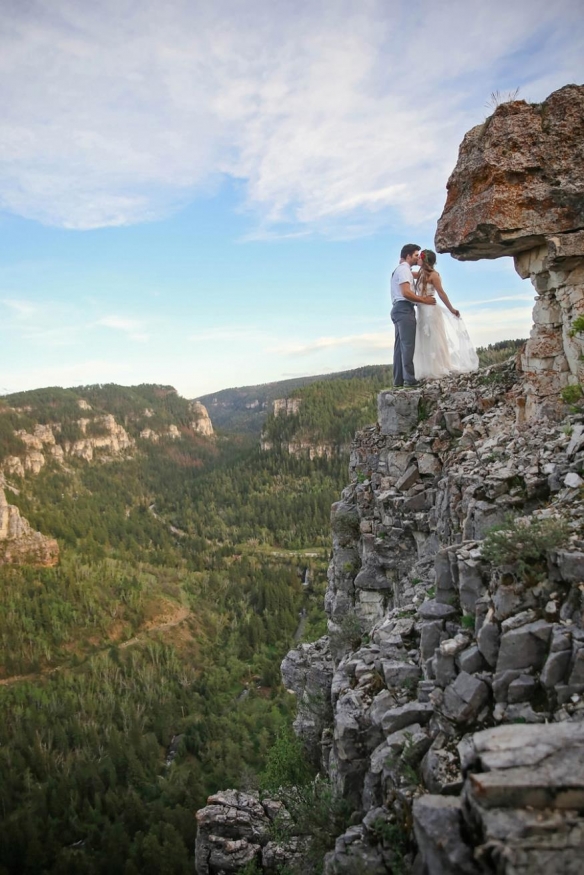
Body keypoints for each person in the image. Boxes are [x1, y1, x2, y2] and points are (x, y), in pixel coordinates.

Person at [412, 249, 479, 379]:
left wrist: (451, 309)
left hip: (431, 311)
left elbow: (441, 293)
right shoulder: (420, 273)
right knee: (423, 338)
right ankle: (427, 368)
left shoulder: (434, 275)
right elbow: (409, 275)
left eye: (419, 257)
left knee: (435, 338)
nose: (417, 259)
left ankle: (438, 367)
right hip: (421, 311)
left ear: (425, 260)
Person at [391, 243, 436, 387]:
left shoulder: (402, 269)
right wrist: (425, 300)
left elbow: (420, 275)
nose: (418, 258)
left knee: (399, 348)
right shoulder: (404, 270)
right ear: (408, 256)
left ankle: (398, 381)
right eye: (416, 255)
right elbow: (406, 292)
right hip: (404, 309)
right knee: (407, 346)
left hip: (398, 309)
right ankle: (410, 380)